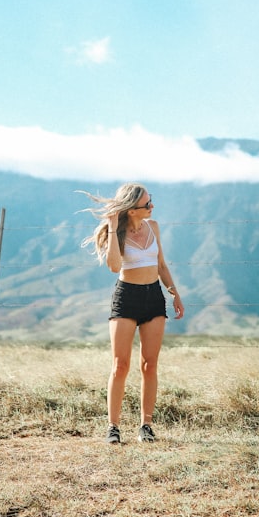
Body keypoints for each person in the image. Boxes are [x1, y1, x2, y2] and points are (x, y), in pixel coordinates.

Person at [81, 183, 185, 444]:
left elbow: (161, 264)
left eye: (152, 201)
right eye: (147, 204)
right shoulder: (118, 233)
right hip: (126, 297)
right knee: (120, 365)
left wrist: (174, 293)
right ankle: (113, 427)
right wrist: (114, 226)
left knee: (149, 365)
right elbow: (114, 266)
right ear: (133, 210)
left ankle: (146, 426)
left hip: (153, 297)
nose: (152, 206)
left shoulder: (154, 227)